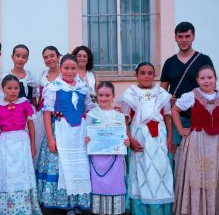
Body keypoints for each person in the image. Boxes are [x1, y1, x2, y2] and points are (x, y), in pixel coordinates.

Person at [36, 54, 94, 215]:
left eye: (73, 68)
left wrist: (109, 109)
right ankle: (61, 202)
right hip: (60, 130)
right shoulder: (53, 86)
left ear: (77, 69)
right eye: (66, 68)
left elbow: (89, 108)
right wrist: (50, 138)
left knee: (78, 166)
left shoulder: (82, 87)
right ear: (61, 68)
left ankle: (76, 203)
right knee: (60, 165)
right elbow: (47, 112)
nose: (70, 71)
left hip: (79, 133)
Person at [118, 62, 175, 215]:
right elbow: (126, 119)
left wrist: (169, 137)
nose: (146, 76)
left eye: (150, 73)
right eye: (142, 73)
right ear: (136, 75)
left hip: (159, 138)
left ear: (154, 75)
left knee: (161, 170)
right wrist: (129, 138)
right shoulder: (130, 93)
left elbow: (168, 117)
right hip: (140, 136)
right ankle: (141, 210)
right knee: (140, 171)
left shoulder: (162, 93)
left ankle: (160, 209)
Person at [0, 74, 42, 215]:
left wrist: (32, 145)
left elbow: (31, 125)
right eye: (9, 88)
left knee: (22, 172)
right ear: (3, 89)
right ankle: (5, 208)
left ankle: (24, 207)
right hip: (5, 143)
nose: (13, 91)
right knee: (6, 173)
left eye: (16, 88)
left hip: (22, 142)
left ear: (20, 88)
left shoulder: (25, 103)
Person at [172, 65, 219, 215]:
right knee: (196, 175)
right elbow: (175, 110)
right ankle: (195, 210)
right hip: (197, 141)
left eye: (210, 78)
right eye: (203, 78)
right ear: (197, 80)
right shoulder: (191, 95)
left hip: (216, 143)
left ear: (216, 79)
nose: (206, 81)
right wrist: (180, 129)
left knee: (213, 174)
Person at [160, 21, 213, 154]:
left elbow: (211, 88)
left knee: (199, 154)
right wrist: (168, 100)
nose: (184, 40)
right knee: (174, 154)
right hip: (176, 116)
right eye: (180, 36)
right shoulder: (169, 63)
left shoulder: (204, 60)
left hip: (200, 117)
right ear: (175, 38)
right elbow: (161, 92)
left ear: (193, 37)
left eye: (187, 36)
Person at [85, 81, 130, 215]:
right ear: (96, 96)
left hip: (114, 159)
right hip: (97, 159)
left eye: (107, 95)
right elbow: (87, 135)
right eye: (100, 95)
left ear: (113, 96)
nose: (104, 98)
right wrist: (87, 139)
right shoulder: (91, 115)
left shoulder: (119, 116)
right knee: (98, 184)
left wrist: (125, 141)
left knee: (114, 185)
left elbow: (123, 136)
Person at [34, 46, 61, 165]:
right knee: (40, 143)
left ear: (58, 57)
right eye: (45, 57)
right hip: (43, 115)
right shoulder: (43, 75)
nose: (49, 59)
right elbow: (38, 96)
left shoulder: (65, 73)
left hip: (58, 116)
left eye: (52, 56)